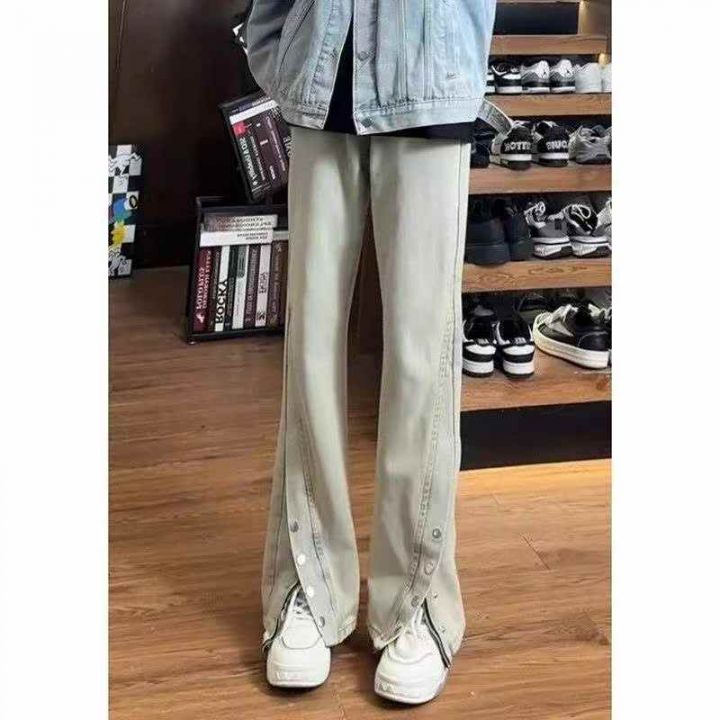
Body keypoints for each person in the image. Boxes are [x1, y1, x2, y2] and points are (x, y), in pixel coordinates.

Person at [245, 0, 497, 705]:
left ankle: (419, 600)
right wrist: (282, 54)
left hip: (430, 77)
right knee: (310, 350)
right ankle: (306, 583)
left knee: (422, 358)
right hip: (321, 78)